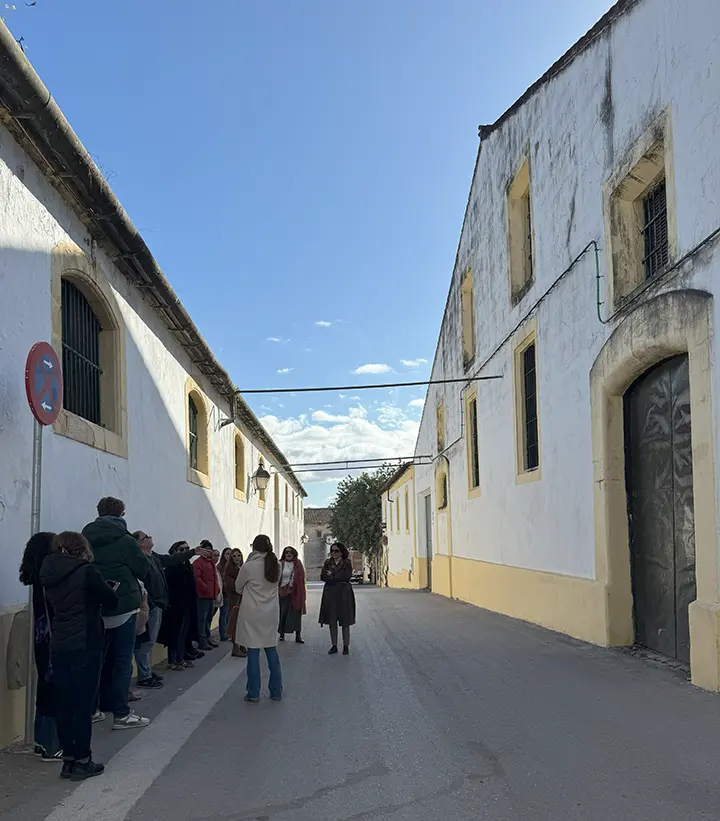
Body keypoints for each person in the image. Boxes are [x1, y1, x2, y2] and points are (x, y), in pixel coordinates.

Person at [40, 531, 119, 781]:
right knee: (83, 706)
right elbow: (111, 601)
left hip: (60, 643)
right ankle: (83, 760)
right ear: (81, 548)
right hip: (86, 643)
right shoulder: (86, 572)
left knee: (64, 704)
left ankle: (69, 761)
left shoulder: (48, 573)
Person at [82, 497, 151, 730]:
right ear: (121, 513)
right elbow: (143, 568)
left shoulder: (85, 538)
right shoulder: (125, 540)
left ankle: (92, 710)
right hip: (123, 607)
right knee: (122, 662)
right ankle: (121, 714)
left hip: (95, 606)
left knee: (96, 661)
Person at [19, 532, 61, 762]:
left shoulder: (37, 577)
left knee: (45, 688)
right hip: (52, 639)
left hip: (42, 638)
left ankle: (41, 739)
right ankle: (51, 745)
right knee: (54, 689)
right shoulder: (49, 578)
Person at [235, 535, 282, 702]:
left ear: (254, 547)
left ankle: (253, 692)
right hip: (270, 613)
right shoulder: (276, 564)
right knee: (271, 650)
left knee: (253, 652)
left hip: (252, 613)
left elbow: (238, 588)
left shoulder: (248, 566)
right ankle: (276, 691)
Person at [319, 542, 356, 655]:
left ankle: (346, 646)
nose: (334, 553)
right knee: (332, 620)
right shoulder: (328, 562)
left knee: (345, 621)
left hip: (344, 593)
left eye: (336, 551)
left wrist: (332, 575)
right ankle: (334, 645)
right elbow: (323, 576)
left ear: (341, 552)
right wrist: (334, 577)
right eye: (332, 551)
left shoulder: (347, 563)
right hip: (330, 593)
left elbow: (346, 576)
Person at [193, 539, 220, 650]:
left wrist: (216, 589)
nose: (208, 551)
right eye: (206, 549)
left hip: (211, 595)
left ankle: (207, 638)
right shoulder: (198, 563)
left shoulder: (211, 563)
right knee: (202, 619)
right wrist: (204, 588)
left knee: (208, 618)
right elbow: (197, 578)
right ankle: (202, 641)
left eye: (210, 549)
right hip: (203, 596)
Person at [278, 546, 307, 644]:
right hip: (283, 592)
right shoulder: (281, 563)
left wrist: (302, 592)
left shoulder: (298, 563)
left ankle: (298, 635)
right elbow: (277, 578)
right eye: (287, 552)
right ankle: (282, 634)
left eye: (290, 552)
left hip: (296, 592)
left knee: (296, 613)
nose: (289, 554)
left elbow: (302, 578)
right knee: (283, 613)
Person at [223, 548, 247, 658]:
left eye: (238, 555)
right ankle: (235, 647)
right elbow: (232, 585)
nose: (236, 558)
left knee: (242, 623)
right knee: (235, 623)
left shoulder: (243, 568)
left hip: (244, 598)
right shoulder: (229, 569)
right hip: (235, 599)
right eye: (234, 556)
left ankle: (241, 645)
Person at [217, 548, 232, 641]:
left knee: (228, 614)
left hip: (230, 594)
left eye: (231, 554)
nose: (229, 556)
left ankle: (227, 632)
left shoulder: (231, 565)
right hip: (224, 593)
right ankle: (223, 634)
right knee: (223, 614)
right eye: (227, 554)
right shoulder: (220, 566)